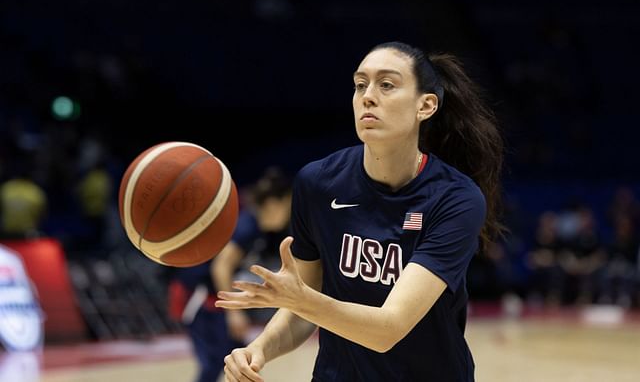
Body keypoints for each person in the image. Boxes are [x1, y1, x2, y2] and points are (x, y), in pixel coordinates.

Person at [216, 41, 505, 382]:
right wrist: (259, 348)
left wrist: (301, 300)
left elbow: (389, 328)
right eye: (360, 84)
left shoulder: (456, 199)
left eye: (386, 85)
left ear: (425, 105)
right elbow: (302, 310)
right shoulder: (317, 182)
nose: (368, 96)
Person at [168, 167, 292, 382]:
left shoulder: (260, 231)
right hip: (197, 295)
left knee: (241, 362)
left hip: (214, 297)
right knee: (214, 362)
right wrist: (234, 313)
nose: (290, 213)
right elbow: (220, 266)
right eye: (288, 206)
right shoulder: (247, 226)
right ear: (273, 204)